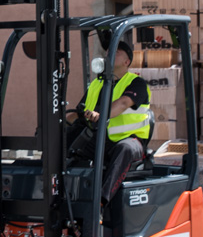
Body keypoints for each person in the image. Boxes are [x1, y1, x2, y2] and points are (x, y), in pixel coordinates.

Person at [65, 39, 152, 205]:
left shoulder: (136, 83)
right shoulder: (96, 84)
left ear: (126, 62)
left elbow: (123, 103)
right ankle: (58, 194)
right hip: (100, 138)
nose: (109, 55)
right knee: (67, 143)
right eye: (107, 53)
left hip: (130, 139)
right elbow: (78, 114)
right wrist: (58, 125)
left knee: (124, 149)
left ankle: (101, 202)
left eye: (116, 52)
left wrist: (101, 114)